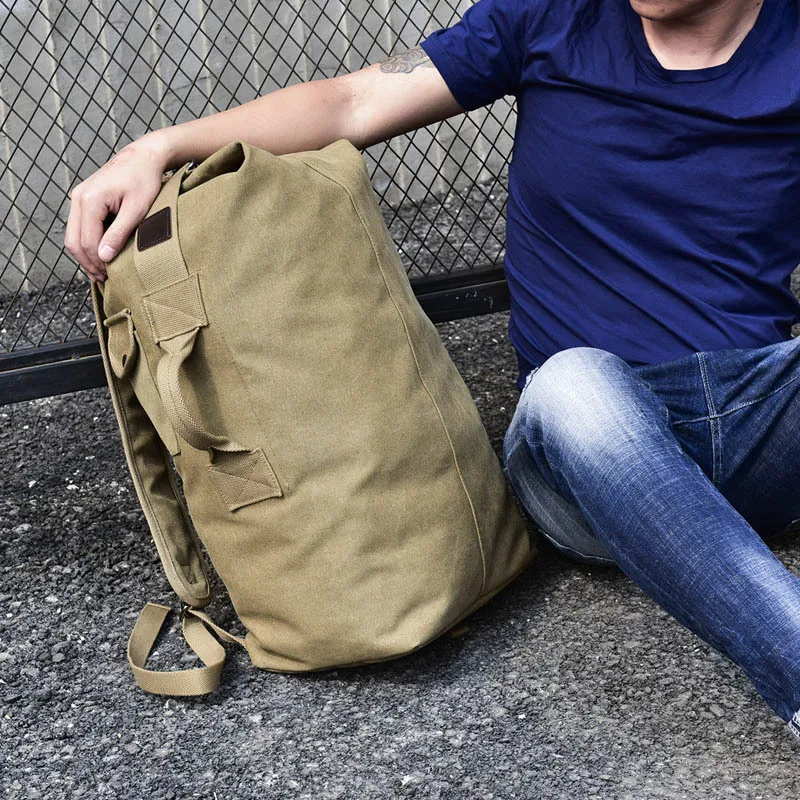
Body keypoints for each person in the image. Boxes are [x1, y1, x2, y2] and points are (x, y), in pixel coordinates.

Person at [65, 0, 800, 742]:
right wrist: (158, 147)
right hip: (585, 453)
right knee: (573, 385)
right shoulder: (555, 16)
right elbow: (352, 102)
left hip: (754, 412)